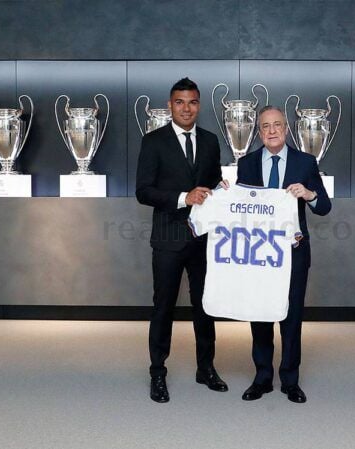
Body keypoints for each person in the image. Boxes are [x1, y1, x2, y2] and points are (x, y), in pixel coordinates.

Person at [135, 77, 229, 403]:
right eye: (179, 102)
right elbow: (143, 191)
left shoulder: (210, 140)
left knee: (206, 307)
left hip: (204, 240)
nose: (186, 108)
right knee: (163, 307)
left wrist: (223, 189)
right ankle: (157, 373)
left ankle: (206, 368)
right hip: (168, 239)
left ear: (199, 105)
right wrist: (181, 197)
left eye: (192, 102)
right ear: (170, 105)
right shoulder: (153, 141)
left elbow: (213, 182)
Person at [235, 105, 332, 403]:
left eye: (277, 125)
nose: (272, 130)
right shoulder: (247, 163)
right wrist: (225, 193)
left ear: (287, 129)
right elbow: (240, 207)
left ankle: (290, 380)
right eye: (266, 126)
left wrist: (310, 194)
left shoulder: (306, 162)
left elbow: (325, 206)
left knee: (291, 317)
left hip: (294, 252)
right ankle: (262, 377)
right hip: (259, 253)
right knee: (261, 315)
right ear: (259, 131)